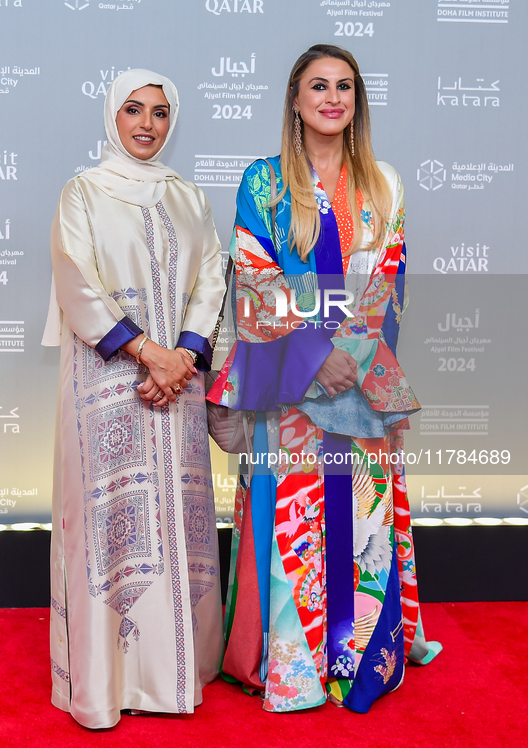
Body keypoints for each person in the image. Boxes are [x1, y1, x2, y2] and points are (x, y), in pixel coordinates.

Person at [207, 45, 440, 714]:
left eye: (344, 86)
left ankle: (360, 650)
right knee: (299, 522)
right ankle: (297, 668)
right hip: (291, 383)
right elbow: (251, 278)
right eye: (318, 86)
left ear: (356, 100)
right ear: (294, 98)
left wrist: (355, 361)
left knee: (361, 519)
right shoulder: (264, 181)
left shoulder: (384, 184)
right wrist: (313, 354)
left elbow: (388, 287)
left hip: (362, 380)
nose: (331, 97)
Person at [42, 69, 225, 729]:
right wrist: (149, 352)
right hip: (108, 387)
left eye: (158, 113)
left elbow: (211, 277)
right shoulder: (82, 193)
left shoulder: (188, 198)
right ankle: (107, 681)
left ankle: (177, 671)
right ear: (110, 117)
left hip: (175, 387)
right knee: (114, 524)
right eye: (132, 111)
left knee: (175, 520)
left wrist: (183, 357)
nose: (146, 124)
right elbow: (77, 282)